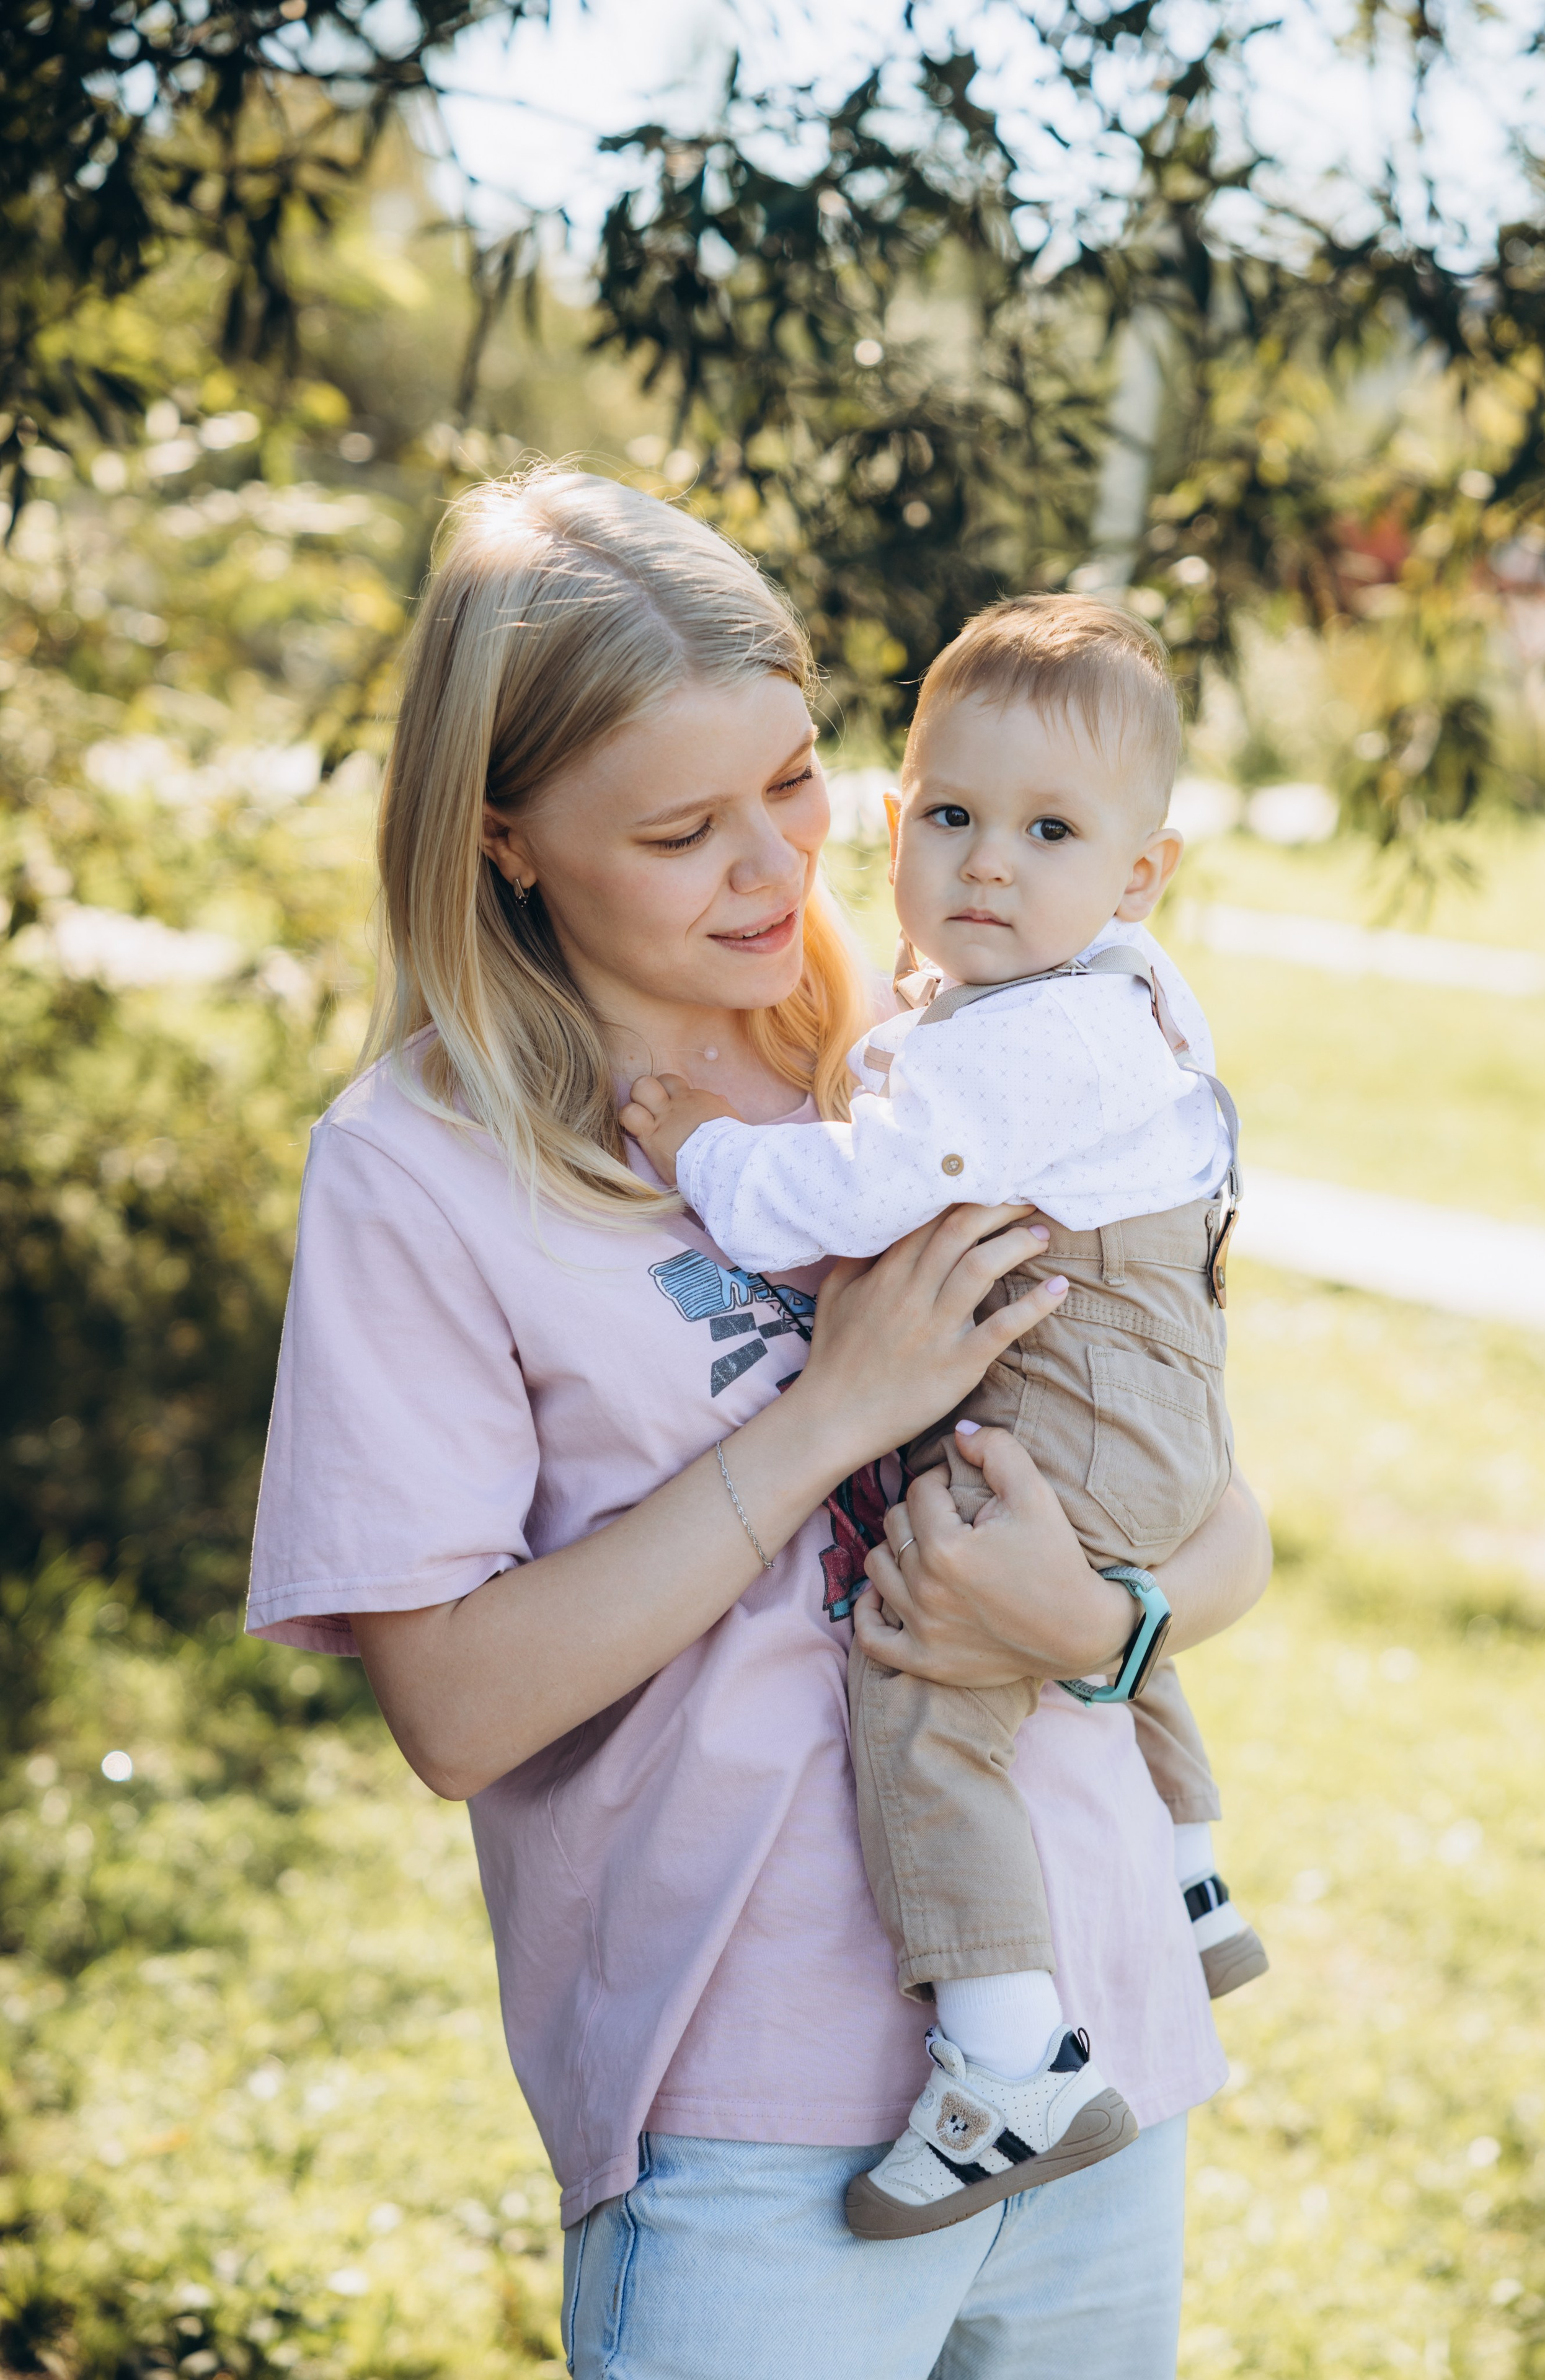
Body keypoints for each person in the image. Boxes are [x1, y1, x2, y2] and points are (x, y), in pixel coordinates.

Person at [246, 467, 1272, 2380]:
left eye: (795, 783)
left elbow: (1224, 1517)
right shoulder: (417, 1169)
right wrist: (830, 1417)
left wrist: (1102, 1627)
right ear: (508, 840)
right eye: (679, 830)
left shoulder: (926, 1033)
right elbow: (453, 1711)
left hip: (1102, 2037)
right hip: (756, 2109)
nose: (773, 868)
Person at [622, 594, 1268, 2242]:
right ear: (898, 827)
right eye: (958, 820)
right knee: (1087, 1566)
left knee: (925, 1678)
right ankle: (1188, 1874)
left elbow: (842, 1202)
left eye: (1050, 832)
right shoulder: (1108, 991)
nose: (992, 864)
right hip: (1147, 1384)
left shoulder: (1022, 1044)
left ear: (1139, 875)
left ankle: (1010, 2055)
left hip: (1081, 1385)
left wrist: (699, 1145)